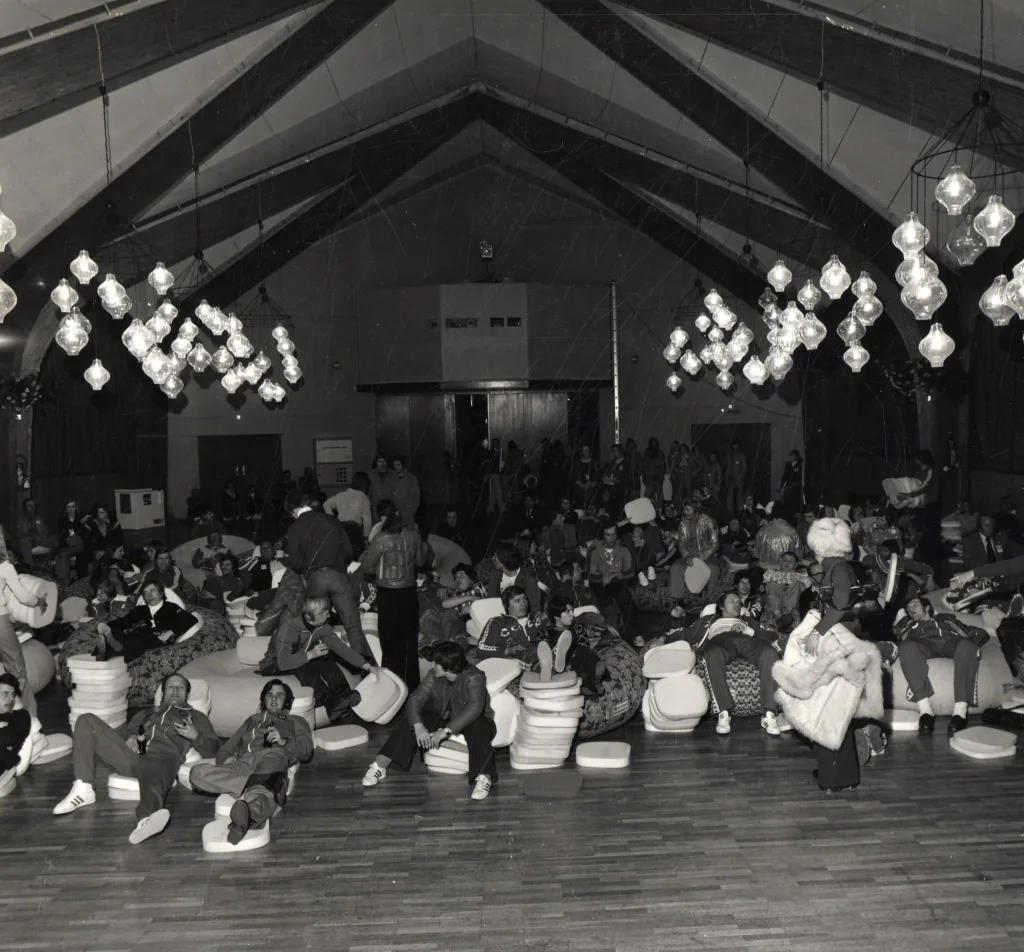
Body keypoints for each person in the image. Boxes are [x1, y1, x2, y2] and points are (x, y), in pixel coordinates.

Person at [53, 674, 220, 844]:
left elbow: (214, 751)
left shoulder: (197, 717)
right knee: (86, 719)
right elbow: (130, 731)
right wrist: (131, 736)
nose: (175, 691)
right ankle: (83, 789)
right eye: (170, 687)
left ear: (187, 695)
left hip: (164, 758)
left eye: (180, 687)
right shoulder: (146, 713)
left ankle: (147, 819)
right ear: (163, 693)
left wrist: (196, 736)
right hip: (135, 755)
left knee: (153, 766)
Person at [362, 641, 497, 800]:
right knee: (414, 721)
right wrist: (419, 726)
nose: (432, 665)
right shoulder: (433, 675)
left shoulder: (474, 676)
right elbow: (415, 699)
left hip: (472, 719)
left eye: (436, 663)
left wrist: (446, 731)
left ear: (447, 666)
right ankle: (380, 765)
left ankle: (484, 777)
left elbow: (475, 707)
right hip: (442, 715)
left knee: (480, 727)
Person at [191, 680, 314, 844]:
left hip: (273, 755)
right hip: (244, 762)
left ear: (287, 701)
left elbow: (306, 751)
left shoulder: (296, 720)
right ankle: (261, 787)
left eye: (279, 695)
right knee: (196, 773)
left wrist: (283, 741)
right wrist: (226, 760)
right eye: (270, 695)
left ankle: (247, 816)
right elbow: (227, 747)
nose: (274, 698)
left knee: (262, 786)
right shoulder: (252, 720)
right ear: (264, 699)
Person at [647, 591, 783, 736]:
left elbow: (772, 635)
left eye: (738, 602)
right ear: (721, 606)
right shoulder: (708, 620)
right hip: (720, 641)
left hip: (747, 641)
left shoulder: (748, 621)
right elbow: (684, 632)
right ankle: (723, 713)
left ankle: (769, 714)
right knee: (712, 654)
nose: (737, 604)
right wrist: (663, 637)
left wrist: (749, 631)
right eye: (732, 601)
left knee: (769, 653)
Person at [284, 490, 371, 665]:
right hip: (338, 577)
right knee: (352, 625)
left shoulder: (294, 527)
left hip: (315, 579)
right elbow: (348, 551)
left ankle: (325, 665)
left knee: (319, 626)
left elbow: (296, 563)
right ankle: (361, 667)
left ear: (292, 510)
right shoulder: (331, 520)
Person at [347, 501, 427, 690]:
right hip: (409, 591)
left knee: (390, 642)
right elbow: (421, 561)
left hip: (388, 593)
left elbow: (366, 567)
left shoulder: (381, 538)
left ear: (384, 518)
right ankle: (412, 686)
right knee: (409, 640)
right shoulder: (413, 535)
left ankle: (393, 687)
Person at [266, 596, 374, 724]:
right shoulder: (288, 629)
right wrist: (310, 655)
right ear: (316, 616)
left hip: (302, 655)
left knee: (325, 657)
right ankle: (328, 701)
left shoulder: (321, 626)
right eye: (326, 613)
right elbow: (283, 663)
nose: (329, 616)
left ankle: (344, 693)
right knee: (304, 665)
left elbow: (340, 647)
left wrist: (365, 664)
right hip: (275, 663)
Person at [895, 597, 988, 734]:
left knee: (967, 645)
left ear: (927, 607)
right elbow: (896, 635)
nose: (911, 609)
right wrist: (902, 620)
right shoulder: (908, 626)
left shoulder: (946, 618)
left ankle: (960, 712)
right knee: (906, 646)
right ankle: (926, 710)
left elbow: (978, 633)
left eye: (914, 605)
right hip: (924, 645)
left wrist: (974, 645)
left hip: (951, 643)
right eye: (908, 608)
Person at [93, 580, 203, 663]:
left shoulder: (171, 607)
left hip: (156, 638)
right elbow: (125, 621)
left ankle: (107, 657)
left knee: (136, 638)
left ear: (161, 593)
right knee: (116, 632)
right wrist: (107, 626)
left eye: (152, 591)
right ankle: (101, 657)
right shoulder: (140, 609)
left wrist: (169, 633)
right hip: (136, 636)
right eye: (145, 593)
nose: (149, 595)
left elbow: (190, 619)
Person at [0, 527, 47, 714]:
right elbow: (23, 596)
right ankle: (23, 715)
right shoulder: (5, 566)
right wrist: (39, 601)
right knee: (16, 668)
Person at [669, 500, 720, 602]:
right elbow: (681, 544)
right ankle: (679, 601)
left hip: (707, 555)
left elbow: (715, 544)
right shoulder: (683, 525)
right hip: (690, 555)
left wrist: (703, 557)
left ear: (696, 510)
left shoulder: (708, 521)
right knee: (675, 567)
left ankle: (711, 601)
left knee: (713, 570)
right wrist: (687, 557)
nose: (685, 512)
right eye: (684, 510)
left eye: (688, 509)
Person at [897, 450, 940, 562]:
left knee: (928, 534)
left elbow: (925, 486)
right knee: (924, 532)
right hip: (926, 507)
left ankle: (929, 559)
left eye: (919, 462)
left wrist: (909, 494)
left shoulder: (931, 472)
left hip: (932, 506)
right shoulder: (924, 472)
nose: (917, 464)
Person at [586, 524, 633, 625]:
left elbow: (631, 571)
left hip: (619, 583)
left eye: (614, 534)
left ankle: (627, 627)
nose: (612, 538)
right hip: (600, 586)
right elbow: (589, 575)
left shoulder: (624, 547)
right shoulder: (594, 550)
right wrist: (602, 579)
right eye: (608, 535)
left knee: (626, 602)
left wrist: (618, 575)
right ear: (602, 535)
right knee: (607, 607)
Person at [323, 472, 374, 551]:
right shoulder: (363, 497)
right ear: (365, 485)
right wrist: (366, 537)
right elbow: (367, 520)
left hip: (340, 528)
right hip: (354, 531)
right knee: (355, 553)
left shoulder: (341, 495)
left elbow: (326, 504)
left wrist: (333, 520)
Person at [485, 545, 542, 611]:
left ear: (504, 562)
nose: (493, 559)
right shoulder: (496, 575)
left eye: (495, 557)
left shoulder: (528, 577)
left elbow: (534, 606)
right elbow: (491, 599)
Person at [0, 673, 32, 775]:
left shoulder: (21, 716)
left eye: (13, 694)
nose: (10, 699)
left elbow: (6, 738)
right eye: (5, 694)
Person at [56, 500, 90, 583]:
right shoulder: (62, 520)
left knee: (65, 553)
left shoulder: (81, 517)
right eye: (68, 507)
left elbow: (86, 533)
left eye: (73, 506)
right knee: (63, 554)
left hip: (79, 545)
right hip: (67, 545)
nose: (70, 509)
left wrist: (81, 524)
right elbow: (62, 535)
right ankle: (64, 581)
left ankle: (71, 580)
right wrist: (79, 524)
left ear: (76, 508)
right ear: (65, 508)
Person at [15, 498, 56, 566]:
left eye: (33, 505)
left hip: (40, 542)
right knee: (24, 541)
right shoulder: (20, 520)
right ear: (25, 507)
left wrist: (41, 536)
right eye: (29, 506)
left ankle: (54, 561)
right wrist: (31, 537)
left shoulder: (40, 519)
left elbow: (46, 533)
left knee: (55, 537)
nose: (32, 507)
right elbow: (19, 535)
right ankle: (29, 566)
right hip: (27, 543)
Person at [390, 457, 421, 527]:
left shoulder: (411, 478)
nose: (395, 467)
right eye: (394, 465)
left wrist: (411, 511)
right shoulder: (392, 478)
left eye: (398, 465)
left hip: (407, 513)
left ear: (403, 465)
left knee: (408, 531)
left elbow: (417, 498)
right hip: (395, 514)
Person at [724, 442, 748, 516]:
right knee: (729, 500)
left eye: (736, 446)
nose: (735, 448)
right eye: (734, 446)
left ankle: (741, 515)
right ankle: (729, 515)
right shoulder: (730, 456)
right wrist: (726, 481)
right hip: (731, 481)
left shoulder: (742, 456)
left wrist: (739, 478)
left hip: (739, 481)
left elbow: (744, 469)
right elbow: (728, 469)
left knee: (740, 500)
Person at [571, 444, 597, 510]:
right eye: (583, 451)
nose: (584, 452)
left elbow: (596, 476)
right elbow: (573, 477)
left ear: (589, 452)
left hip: (591, 489)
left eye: (586, 450)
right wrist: (581, 485)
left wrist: (591, 483)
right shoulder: (577, 464)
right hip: (579, 489)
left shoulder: (594, 463)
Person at [779, 450, 804, 518]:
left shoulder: (800, 464)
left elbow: (801, 477)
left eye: (792, 455)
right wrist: (782, 487)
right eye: (790, 455)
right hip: (788, 486)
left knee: (795, 503)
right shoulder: (788, 464)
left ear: (796, 456)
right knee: (786, 502)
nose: (790, 457)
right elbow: (784, 476)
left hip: (796, 487)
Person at [643, 437, 666, 503]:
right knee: (650, 495)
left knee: (659, 494)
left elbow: (662, 466)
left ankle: (659, 508)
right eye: (652, 443)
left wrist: (661, 477)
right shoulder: (647, 452)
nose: (653, 445)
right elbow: (644, 466)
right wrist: (647, 474)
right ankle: (652, 507)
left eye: (654, 443)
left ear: (657, 444)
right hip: (649, 477)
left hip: (657, 476)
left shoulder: (660, 453)